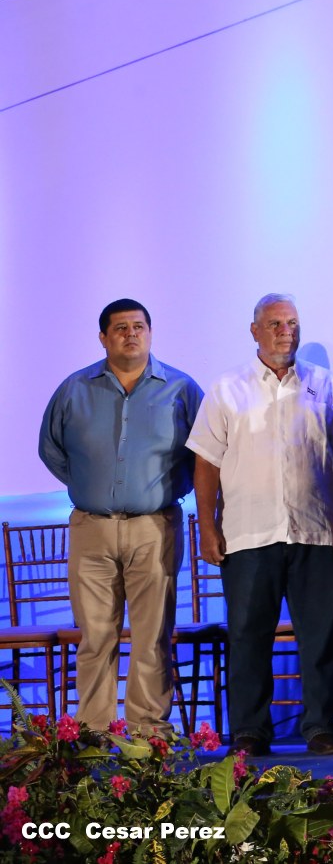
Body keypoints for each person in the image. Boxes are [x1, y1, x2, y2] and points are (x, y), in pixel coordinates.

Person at [188, 294, 333, 756]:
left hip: (316, 532)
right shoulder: (227, 388)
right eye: (275, 324)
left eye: (292, 323)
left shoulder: (325, 385)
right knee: (248, 636)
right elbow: (206, 462)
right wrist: (207, 526)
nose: (286, 331)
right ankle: (250, 731)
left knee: (321, 636)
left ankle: (322, 727)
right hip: (248, 533)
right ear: (255, 331)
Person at [39, 299, 202, 734]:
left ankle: (148, 734)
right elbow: (51, 449)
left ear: (150, 332)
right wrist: (91, 484)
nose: (131, 334)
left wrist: (169, 489)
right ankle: (93, 734)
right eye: (120, 328)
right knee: (95, 636)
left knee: (152, 636)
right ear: (103, 337)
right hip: (91, 527)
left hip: (155, 526)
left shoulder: (182, 389)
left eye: (138, 326)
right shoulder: (74, 389)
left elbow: (204, 454)